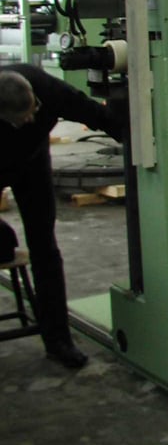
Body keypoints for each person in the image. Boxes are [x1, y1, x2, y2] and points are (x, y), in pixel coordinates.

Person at [0, 64, 123, 368]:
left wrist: (139, 139)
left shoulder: (47, 88)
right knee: (3, 243)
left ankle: (58, 341)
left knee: (45, 248)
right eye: (21, 120)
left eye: (33, 112)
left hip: (32, 164)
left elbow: (95, 114)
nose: (30, 120)